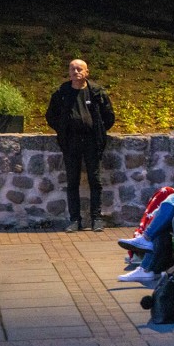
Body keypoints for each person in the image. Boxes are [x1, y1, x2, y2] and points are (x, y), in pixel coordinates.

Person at [45, 59, 115, 232]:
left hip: (92, 142)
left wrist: (97, 129)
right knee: (72, 181)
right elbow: (50, 115)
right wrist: (63, 129)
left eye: (79, 69)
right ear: (69, 73)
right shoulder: (62, 93)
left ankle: (96, 219)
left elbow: (109, 116)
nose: (75, 72)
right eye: (72, 69)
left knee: (95, 180)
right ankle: (75, 220)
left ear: (87, 72)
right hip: (71, 142)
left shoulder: (96, 92)